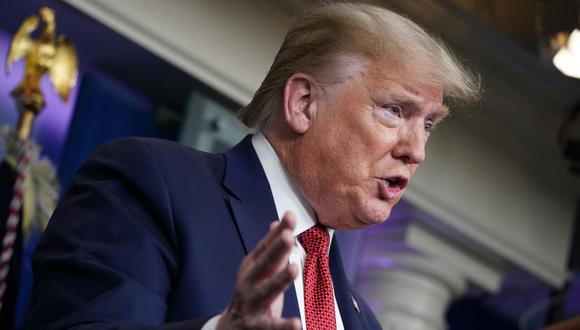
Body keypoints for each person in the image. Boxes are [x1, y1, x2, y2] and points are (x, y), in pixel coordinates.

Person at [27, 2, 479, 330]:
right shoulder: (151, 182)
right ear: (303, 104)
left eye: (429, 126)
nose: (415, 150)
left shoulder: (364, 321)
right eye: (395, 111)